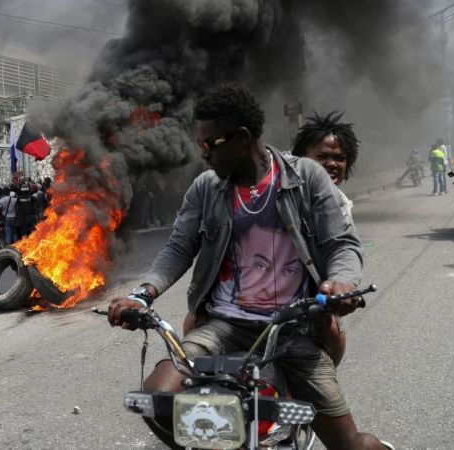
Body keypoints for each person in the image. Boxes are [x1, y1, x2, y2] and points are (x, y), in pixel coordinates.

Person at [108, 84, 393, 450]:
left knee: (348, 444)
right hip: (223, 327)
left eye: (210, 144)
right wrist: (141, 296)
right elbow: (179, 247)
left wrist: (340, 282)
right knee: (158, 397)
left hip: (291, 331)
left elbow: (342, 244)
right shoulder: (206, 188)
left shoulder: (306, 177)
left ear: (242, 138)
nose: (203, 153)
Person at [290, 111, 361, 366]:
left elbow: (343, 248)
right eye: (322, 156)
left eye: (339, 158)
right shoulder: (281, 189)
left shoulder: (341, 204)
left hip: (312, 295)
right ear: (301, 160)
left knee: (332, 331)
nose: (331, 163)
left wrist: (340, 282)